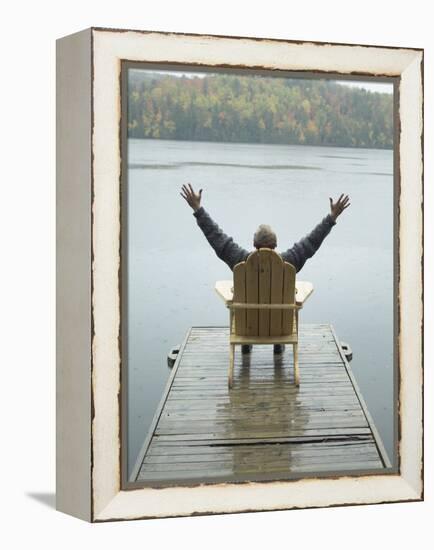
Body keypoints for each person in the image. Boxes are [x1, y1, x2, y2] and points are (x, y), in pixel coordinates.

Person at [180, 183, 350, 354]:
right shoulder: (289, 263)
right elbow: (311, 241)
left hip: (246, 326)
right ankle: (278, 345)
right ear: (275, 245)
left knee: (239, 298)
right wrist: (332, 217)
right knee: (286, 297)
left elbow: (217, 238)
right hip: (280, 327)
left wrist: (197, 209)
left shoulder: (240, 261)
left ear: (254, 244)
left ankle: (246, 344)